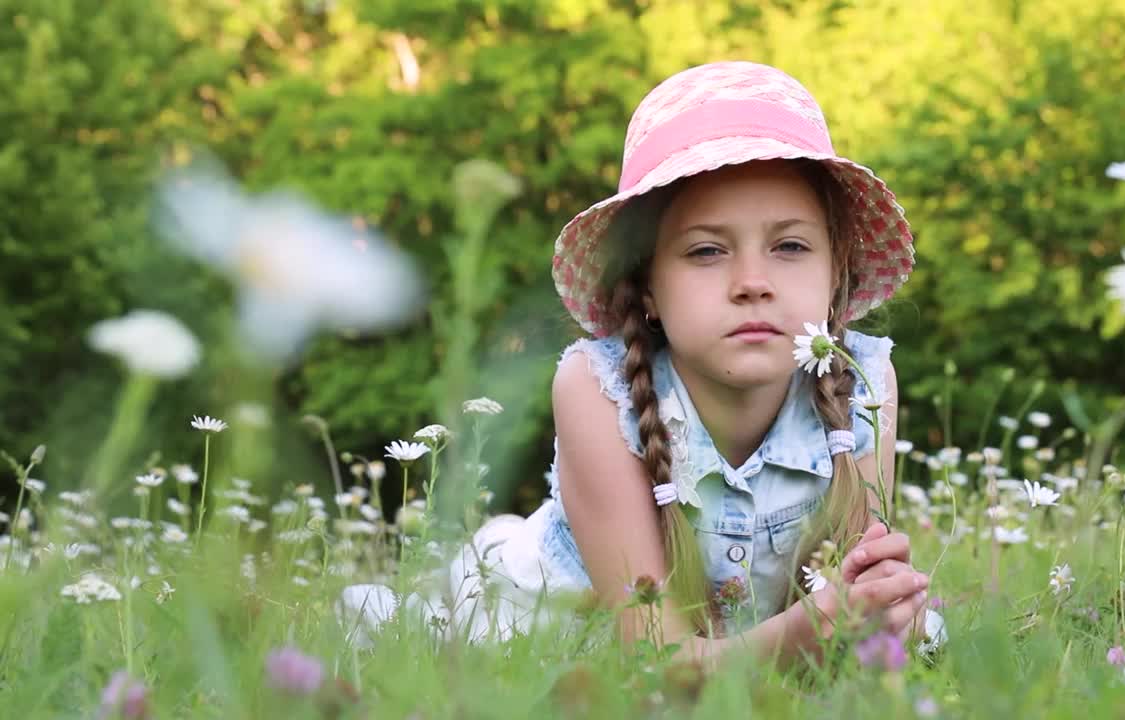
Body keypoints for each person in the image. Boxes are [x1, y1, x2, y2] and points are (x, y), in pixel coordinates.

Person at [339, 60, 944, 666]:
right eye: (707, 250)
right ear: (647, 285)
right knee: (416, 636)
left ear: (835, 271)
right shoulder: (598, 389)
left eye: (790, 246)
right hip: (557, 627)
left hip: (751, 648)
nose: (753, 283)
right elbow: (654, 662)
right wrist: (814, 629)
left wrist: (879, 608)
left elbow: (854, 591)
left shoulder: (862, 380)